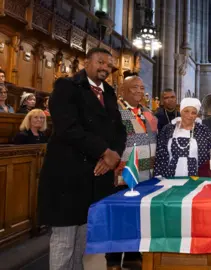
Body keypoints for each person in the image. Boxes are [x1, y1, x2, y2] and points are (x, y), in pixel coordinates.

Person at [37, 47, 127, 270]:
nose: (105, 67)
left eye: (109, 64)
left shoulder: (108, 92)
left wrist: (113, 155)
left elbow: (119, 129)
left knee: (82, 241)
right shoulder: (67, 86)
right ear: (86, 62)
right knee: (64, 240)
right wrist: (103, 152)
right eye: (100, 62)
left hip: (95, 177)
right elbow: (68, 128)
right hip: (68, 175)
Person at [106, 75, 157, 270]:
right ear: (123, 90)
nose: (139, 90)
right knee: (119, 218)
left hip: (146, 176)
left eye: (142, 87)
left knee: (137, 218)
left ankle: (133, 256)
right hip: (123, 175)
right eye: (134, 87)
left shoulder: (147, 112)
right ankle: (113, 260)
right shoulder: (115, 113)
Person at [153, 97, 211, 177]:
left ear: (197, 115)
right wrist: (158, 176)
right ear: (181, 111)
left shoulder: (203, 130)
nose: (190, 115)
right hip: (170, 176)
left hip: (196, 177)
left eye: (194, 113)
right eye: (186, 111)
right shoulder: (168, 129)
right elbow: (160, 155)